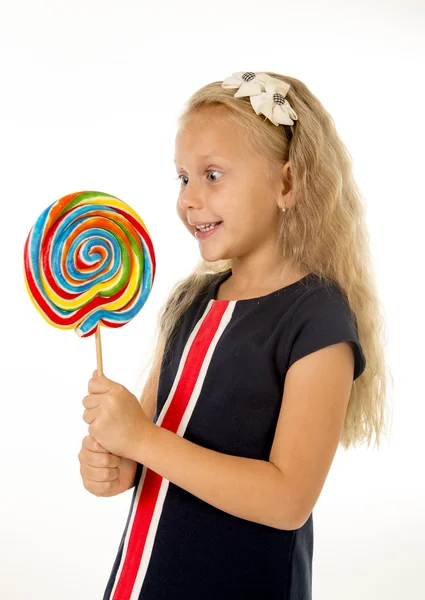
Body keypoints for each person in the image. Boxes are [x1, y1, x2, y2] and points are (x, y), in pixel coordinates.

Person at [78, 71, 392, 599]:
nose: (189, 199)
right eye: (182, 178)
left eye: (213, 175)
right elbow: (149, 441)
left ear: (287, 183)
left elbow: (288, 498)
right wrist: (115, 464)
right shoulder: (190, 305)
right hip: (144, 581)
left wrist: (141, 439)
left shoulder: (317, 319)